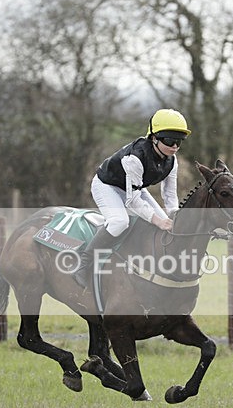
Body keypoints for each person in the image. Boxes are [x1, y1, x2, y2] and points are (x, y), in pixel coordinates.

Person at [74, 108, 191, 288]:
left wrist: (173, 214)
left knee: (166, 223)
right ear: (154, 138)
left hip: (134, 188)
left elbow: (169, 194)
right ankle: (83, 264)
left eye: (179, 142)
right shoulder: (135, 158)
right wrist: (158, 221)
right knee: (120, 222)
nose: (175, 146)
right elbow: (132, 201)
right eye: (170, 140)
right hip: (107, 186)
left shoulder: (172, 160)